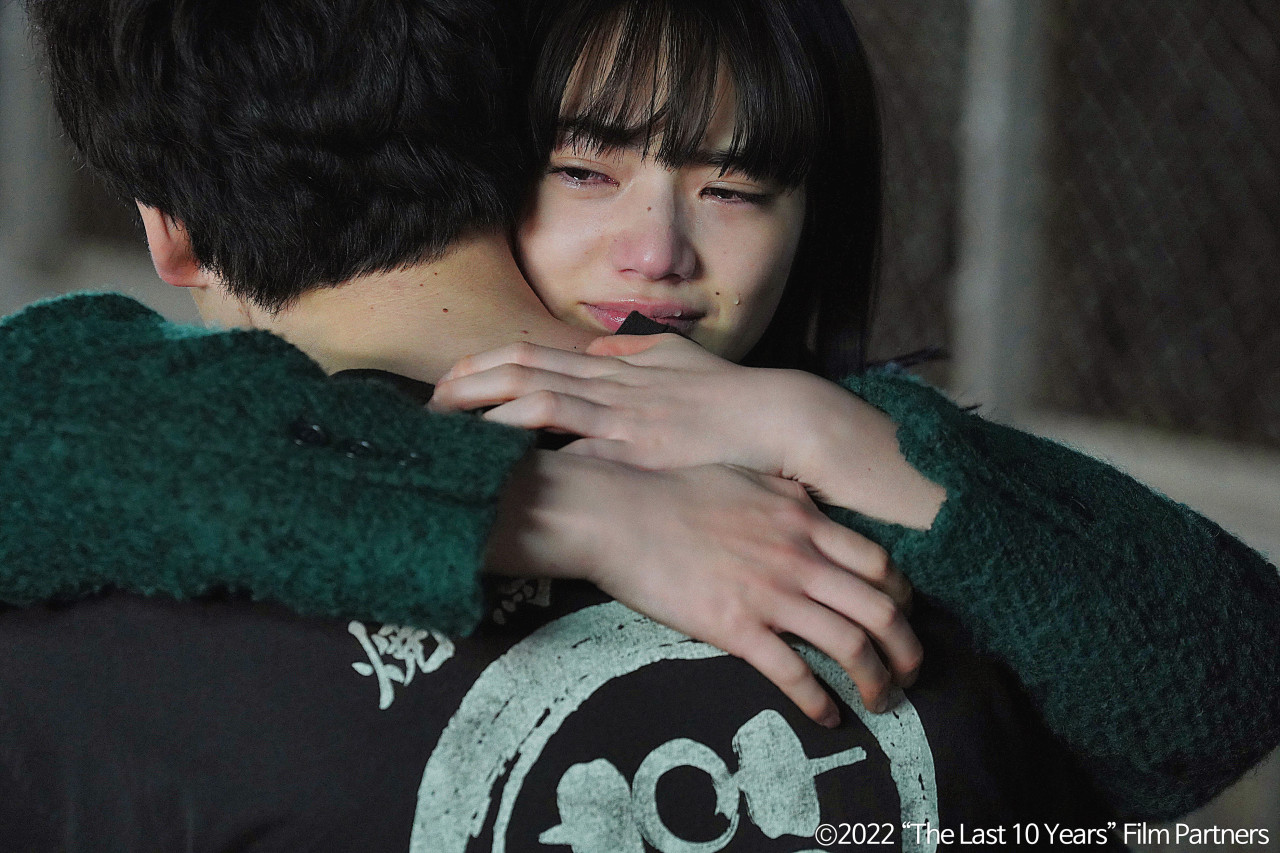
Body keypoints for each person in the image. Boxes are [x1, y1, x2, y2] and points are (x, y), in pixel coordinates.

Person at [0, 0, 1275, 832]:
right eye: (588, 168)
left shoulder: (86, 618)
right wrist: (560, 504)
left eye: (735, 187)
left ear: (169, 232)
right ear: (506, 154)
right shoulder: (928, 525)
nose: (655, 247)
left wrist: (822, 432)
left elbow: (1231, 675)